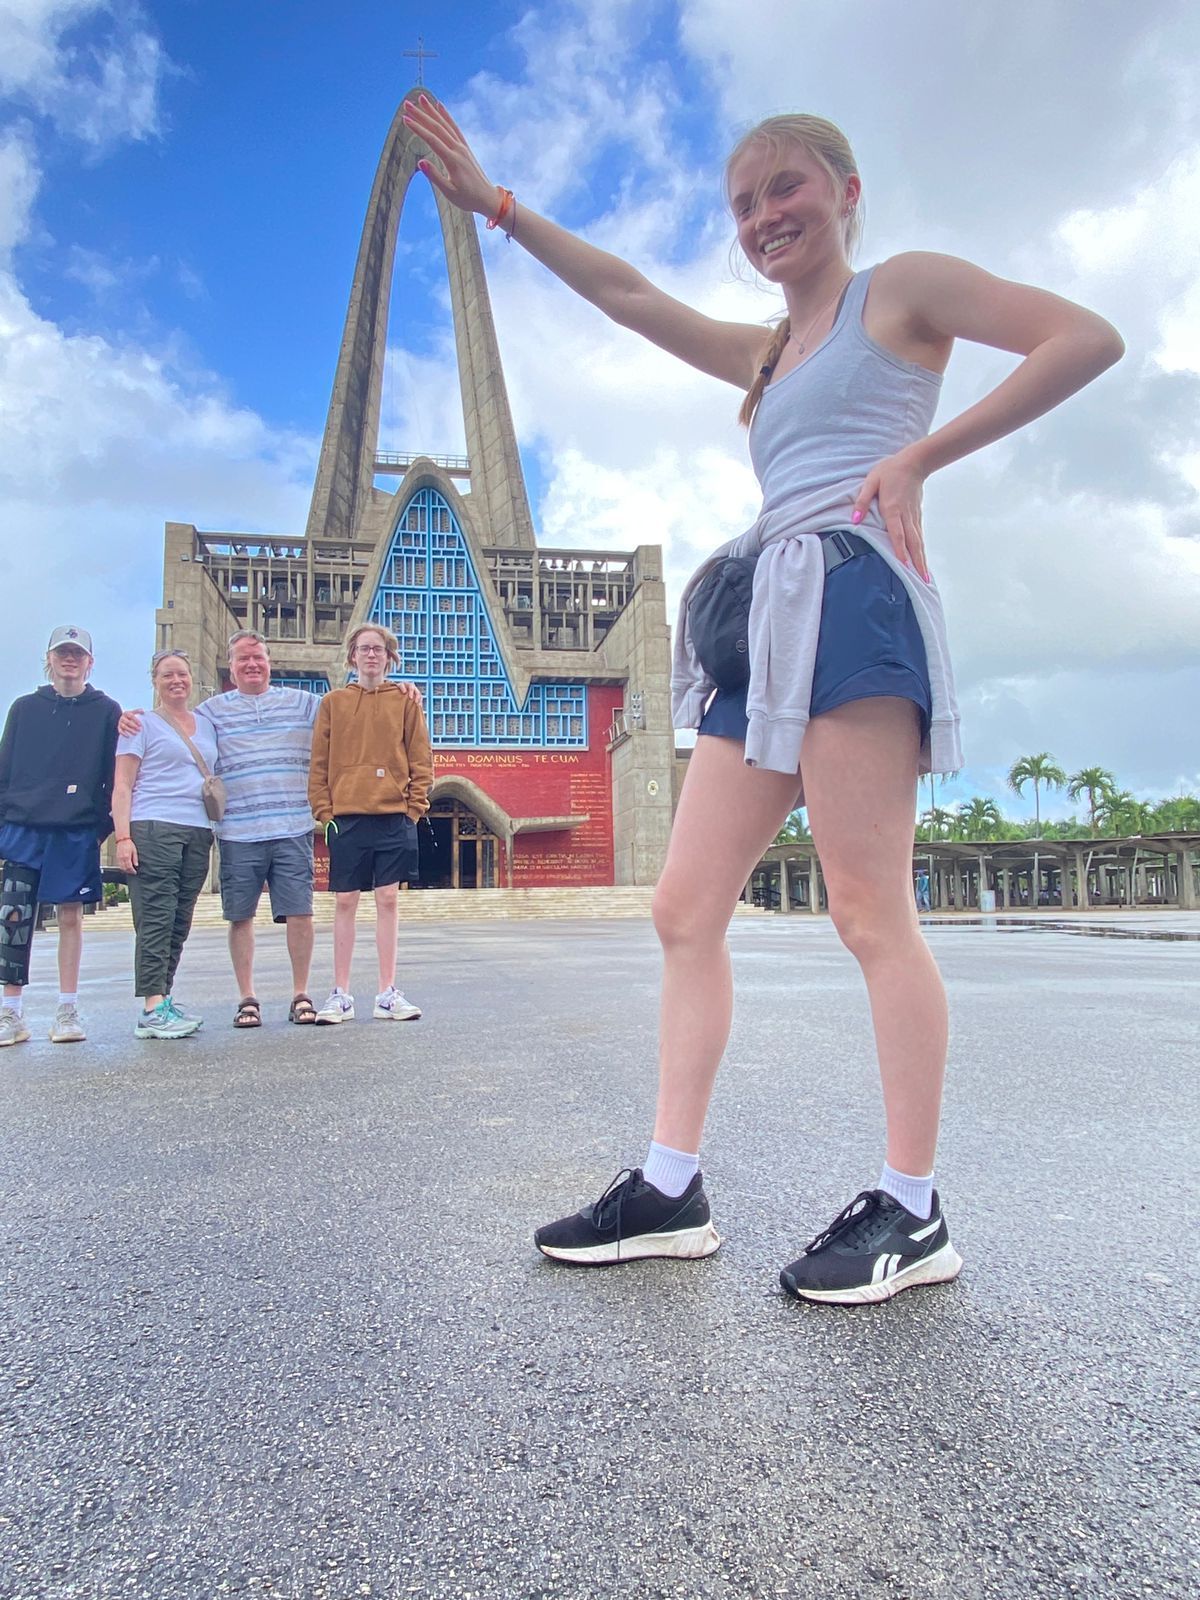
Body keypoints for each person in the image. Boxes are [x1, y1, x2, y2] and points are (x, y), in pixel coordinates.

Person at [403, 96, 1123, 1303]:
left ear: (845, 194)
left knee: (865, 909)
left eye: (785, 187)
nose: (763, 215)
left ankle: (913, 1207)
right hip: (763, 620)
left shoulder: (899, 292)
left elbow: (1083, 338)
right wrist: (503, 210)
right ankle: (671, 1185)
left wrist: (918, 459)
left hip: (850, 597)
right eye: (743, 203)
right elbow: (636, 299)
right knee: (685, 906)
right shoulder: (769, 352)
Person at [120, 630, 422, 1027]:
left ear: (269, 662)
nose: (251, 664)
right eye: (243, 658)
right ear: (232, 664)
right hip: (238, 830)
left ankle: (301, 994)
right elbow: (177, 721)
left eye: (258, 657)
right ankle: (248, 997)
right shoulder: (211, 712)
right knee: (240, 916)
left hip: (292, 826)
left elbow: (356, 709)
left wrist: (398, 687)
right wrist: (129, 716)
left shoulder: (305, 703)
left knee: (300, 912)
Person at [0, 626, 121, 1047]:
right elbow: (5, 769)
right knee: (13, 919)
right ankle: (11, 1012)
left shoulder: (106, 710)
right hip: (24, 829)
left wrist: (98, 827)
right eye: (62, 653)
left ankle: (67, 1009)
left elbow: (112, 774)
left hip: (74, 830)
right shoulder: (24, 708)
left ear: (89, 661)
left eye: (77, 654)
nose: (69, 659)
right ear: (49, 658)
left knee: (71, 917)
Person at [307, 624, 432, 1024]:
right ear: (352, 656)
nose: (371, 655)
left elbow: (421, 760)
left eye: (379, 649)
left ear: (390, 656)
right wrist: (324, 813)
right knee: (344, 901)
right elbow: (319, 764)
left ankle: (387, 992)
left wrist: (413, 809)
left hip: (393, 816)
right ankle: (340, 993)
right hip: (345, 818)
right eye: (364, 649)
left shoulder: (406, 701)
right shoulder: (333, 702)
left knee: (388, 901)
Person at [111, 650, 216, 1040]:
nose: (177, 681)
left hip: (197, 830)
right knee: (155, 916)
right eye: (167, 674)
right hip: (154, 827)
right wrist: (123, 836)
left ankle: (165, 998)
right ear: (154, 681)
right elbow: (123, 785)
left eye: (182, 674)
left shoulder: (205, 724)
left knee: (179, 920)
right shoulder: (141, 724)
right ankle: (151, 1007)